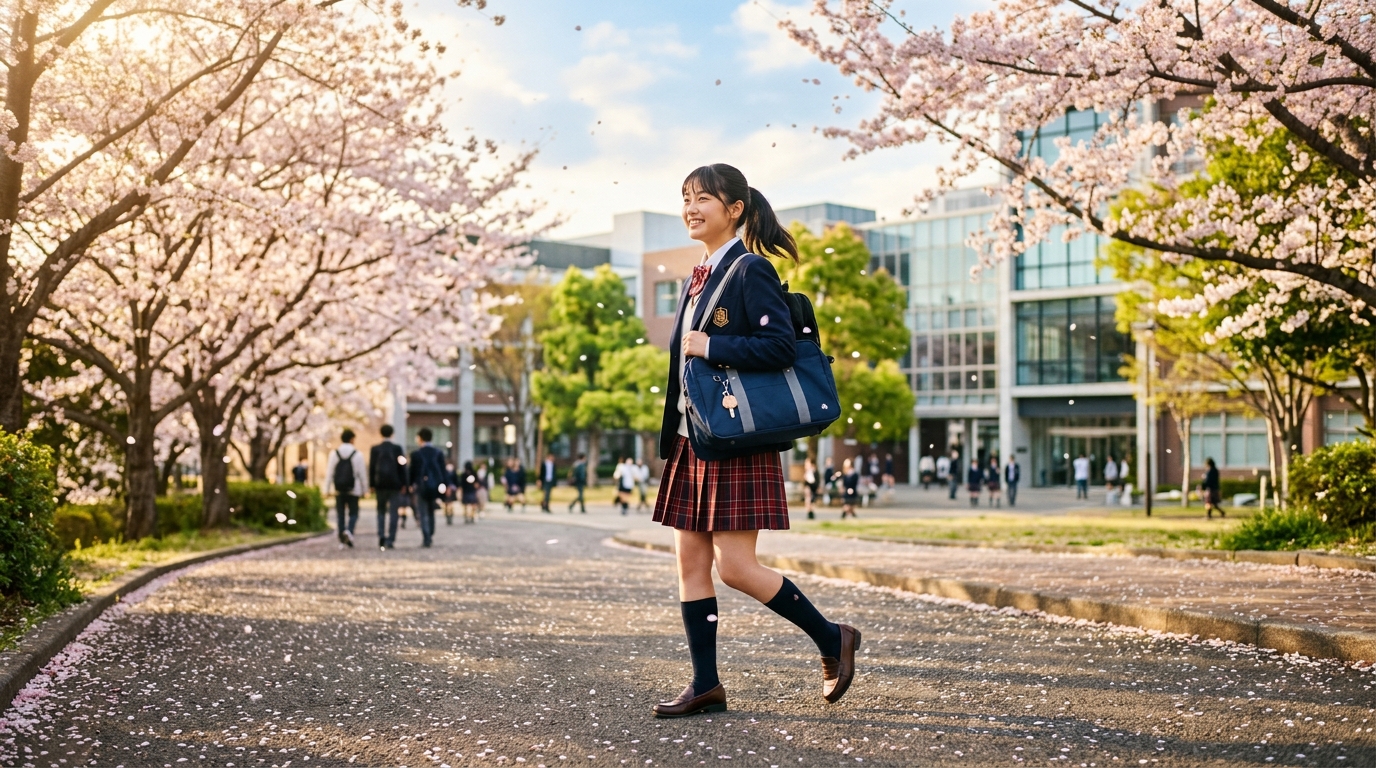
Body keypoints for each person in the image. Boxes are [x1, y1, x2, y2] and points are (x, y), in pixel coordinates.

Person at [649, 164, 857, 719]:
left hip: (736, 438)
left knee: (736, 567)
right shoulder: (699, 274)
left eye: (703, 199)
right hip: (697, 438)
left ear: (735, 208)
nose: (691, 208)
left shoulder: (749, 269)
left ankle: (832, 637)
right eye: (685, 197)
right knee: (690, 562)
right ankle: (705, 684)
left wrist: (710, 345)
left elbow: (779, 348)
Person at [325, 429, 366, 548]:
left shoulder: (334, 453)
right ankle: (349, 531)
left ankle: (342, 538)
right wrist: (365, 489)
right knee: (354, 513)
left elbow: (330, 472)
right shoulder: (357, 454)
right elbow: (361, 473)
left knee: (340, 514)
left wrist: (326, 489)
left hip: (338, 488)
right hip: (354, 488)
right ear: (352, 439)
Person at [368, 424, 406, 550]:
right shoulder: (397, 449)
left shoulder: (375, 449)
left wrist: (372, 484)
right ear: (392, 434)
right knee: (394, 512)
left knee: (380, 511)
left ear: (381, 434)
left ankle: (381, 536)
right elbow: (402, 466)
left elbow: (372, 468)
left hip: (380, 485)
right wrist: (404, 483)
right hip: (395, 485)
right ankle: (391, 539)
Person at [408, 427, 446, 547]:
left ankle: (426, 536)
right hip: (434, 486)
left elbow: (412, 472)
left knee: (423, 512)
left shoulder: (416, 454)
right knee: (431, 511)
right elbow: (443, 471)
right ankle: (431, 532)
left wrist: (410, 485)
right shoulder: (438, 453)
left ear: (420, 438)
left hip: (421, 486)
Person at [460, 460, 480, 524]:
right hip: (471, 490)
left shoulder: (464, 474)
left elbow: (461, 484)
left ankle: (467, 516)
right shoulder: (474, 473)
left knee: (466, 505)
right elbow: (477, 484)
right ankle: (472, 516)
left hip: (466, 491)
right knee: (473, 504)